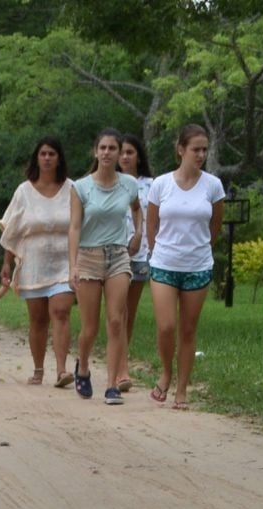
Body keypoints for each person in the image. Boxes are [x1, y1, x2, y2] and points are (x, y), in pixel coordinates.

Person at [145, 124, 225, 410]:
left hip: (198, 266)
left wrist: (202, 249)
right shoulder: (161, 184)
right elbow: (151, 224)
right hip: (164, 264)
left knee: (188, 330)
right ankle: (166, 372)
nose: (200, 155)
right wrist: (157, 252)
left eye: (204, 150)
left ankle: (182, 389)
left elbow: (215, 225)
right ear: (181, 149)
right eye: (195, 149)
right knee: (166, 326)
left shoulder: (213, 186)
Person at [68, 129, 139, 405]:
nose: (107, 153)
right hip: (89, 256)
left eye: (113, 148)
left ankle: (111, 385)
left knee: (116, 320)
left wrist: (138, 233)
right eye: (103, 148)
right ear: (95, 152)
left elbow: (136, 208)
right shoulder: (81, 187)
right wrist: (73, 265)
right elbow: (74, 227)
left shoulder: (129, 184)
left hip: (118, 254)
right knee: (90, 327)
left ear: (119, 153)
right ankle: (83, 366)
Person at [0, 137, 76, 388]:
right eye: (43, 154)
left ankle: (62, 370)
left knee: (61, 312)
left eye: (52, 153)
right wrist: (7, 263)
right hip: (33, 263)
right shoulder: (24, 191)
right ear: (36, 158)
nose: (47, 158)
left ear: (59, 158)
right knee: (38, 319)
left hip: (65, 262)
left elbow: (81, 225)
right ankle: (38, 369)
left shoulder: (72, 189)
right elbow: (12, 229)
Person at [112, 133, 153, 392]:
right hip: (113, 253)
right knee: (118, 311)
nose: (125, 157)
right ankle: (121, 369)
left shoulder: (151, 185)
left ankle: (119, 361)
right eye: (122, 152)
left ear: (138, 156)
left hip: (140, 253)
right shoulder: (109, 182)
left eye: (130, 152)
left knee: (129, 313)